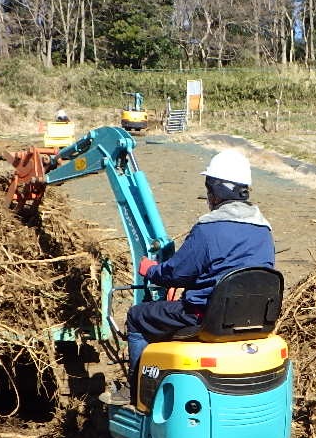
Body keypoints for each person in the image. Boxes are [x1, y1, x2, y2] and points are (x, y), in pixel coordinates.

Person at [113, 148, 274, 404]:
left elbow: (176, 273)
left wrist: (149, 269)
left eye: (209, 186)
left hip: (204, 318)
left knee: (136, 317)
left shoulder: (209, 228)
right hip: (250, 320)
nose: (208, 194)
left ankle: (136, 392)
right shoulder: (264, 229)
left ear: (218, 190)